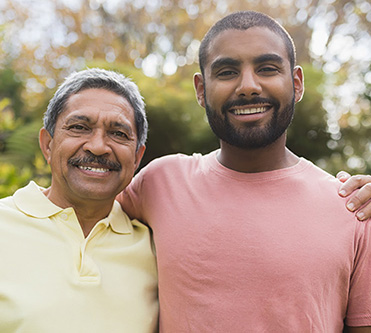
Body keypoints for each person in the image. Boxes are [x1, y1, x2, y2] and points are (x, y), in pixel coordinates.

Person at [117, 11, 371, 332]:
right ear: (201, 89)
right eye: (226, 72)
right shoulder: (160, 182)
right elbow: (78, 216)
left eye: (267, 69)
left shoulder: (352, 208)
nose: (248, 87)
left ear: (296, 83)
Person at [0, 68, 158, 332]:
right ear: (48, 145)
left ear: (137, 157)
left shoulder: (157, 250)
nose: (98, 146)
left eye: (118, 133)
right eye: (79, 128)